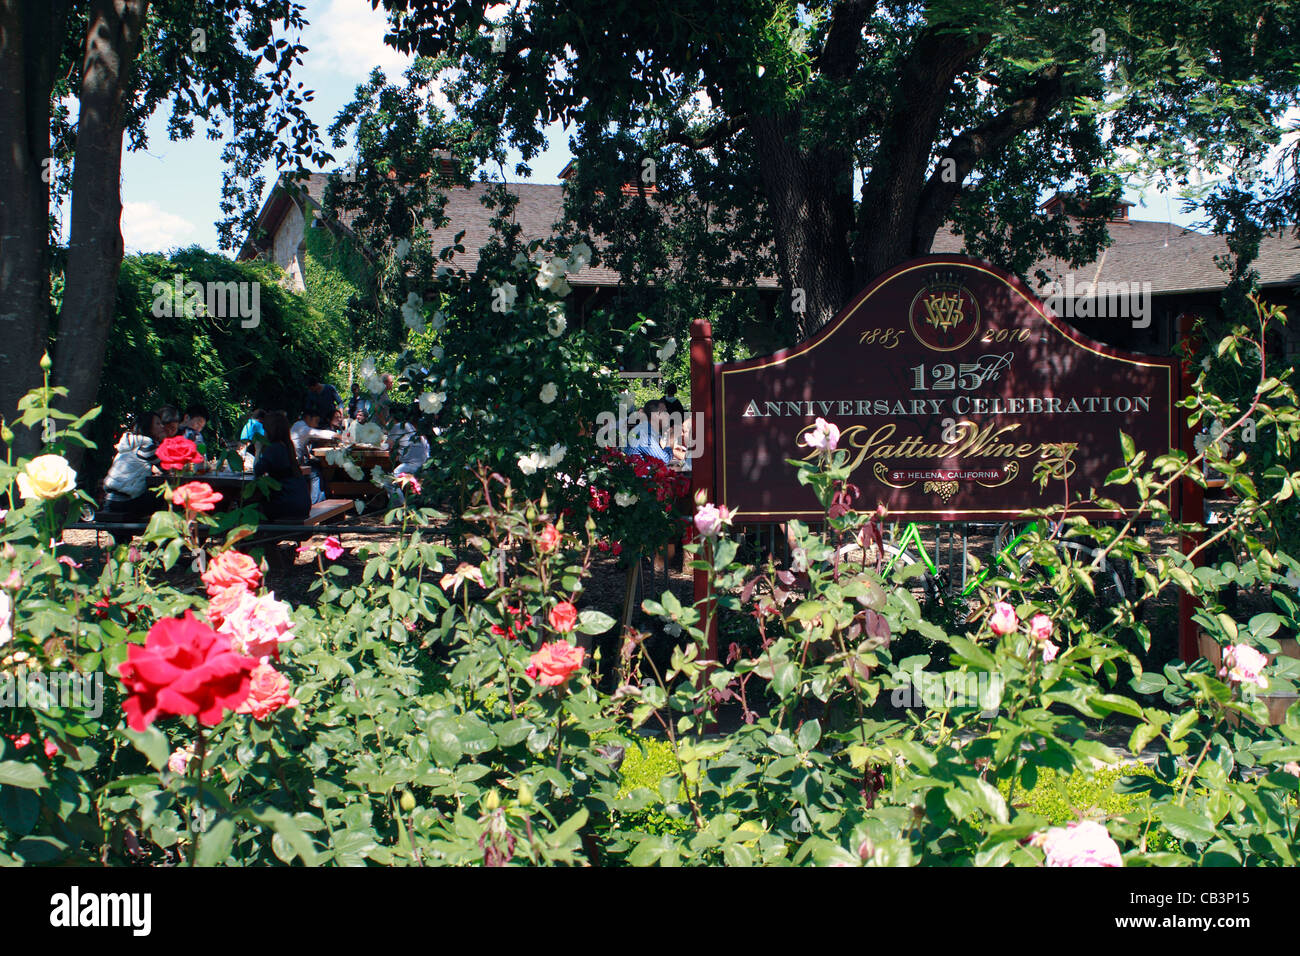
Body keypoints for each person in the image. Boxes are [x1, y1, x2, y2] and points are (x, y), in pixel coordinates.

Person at [102, 409, 163, 515]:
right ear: (147, 426)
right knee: (162, 496)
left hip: (109, 501)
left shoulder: (130, 443)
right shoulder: (147, 444)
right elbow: (165, 467)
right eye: (157, 423)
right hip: (125, 503)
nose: (162, 427)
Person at [254, 411, 310, 520]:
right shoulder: (287, 445)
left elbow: (257, 470)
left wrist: (258, 449)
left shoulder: (273, 448)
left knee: (252, 505)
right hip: (301, 504)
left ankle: (260, 535)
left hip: (287, 505)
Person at [290, 410, 338, 503]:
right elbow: (316, 433)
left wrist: (308, 456)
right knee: (315, 474)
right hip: (295, 464)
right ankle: (315, 502)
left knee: (316, 468)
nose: (316, 425)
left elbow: (301, 445)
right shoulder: (302, 427)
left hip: (296, 461)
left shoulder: (298, 425)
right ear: (308, 418)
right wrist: (337, 435)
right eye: (316, 421)